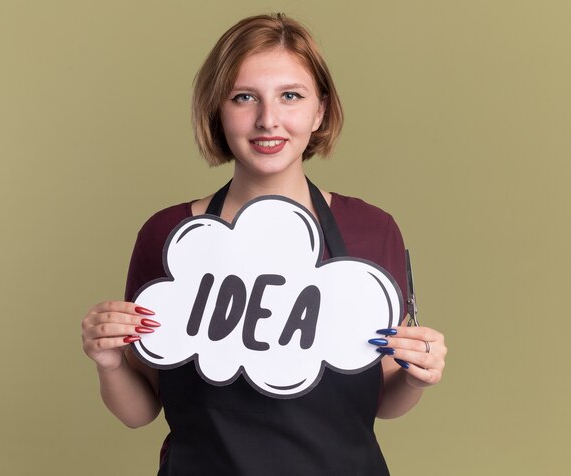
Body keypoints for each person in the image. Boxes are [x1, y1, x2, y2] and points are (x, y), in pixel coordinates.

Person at [81, 13, 447, 475]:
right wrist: (109, 361)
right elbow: (140, 410)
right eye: (244, 97)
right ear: (218, 110)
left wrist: (418, 376)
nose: (267, 120)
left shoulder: (372, 232)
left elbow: (382, 399)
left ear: (320, 111)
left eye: (290, 96)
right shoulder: (169, 235)